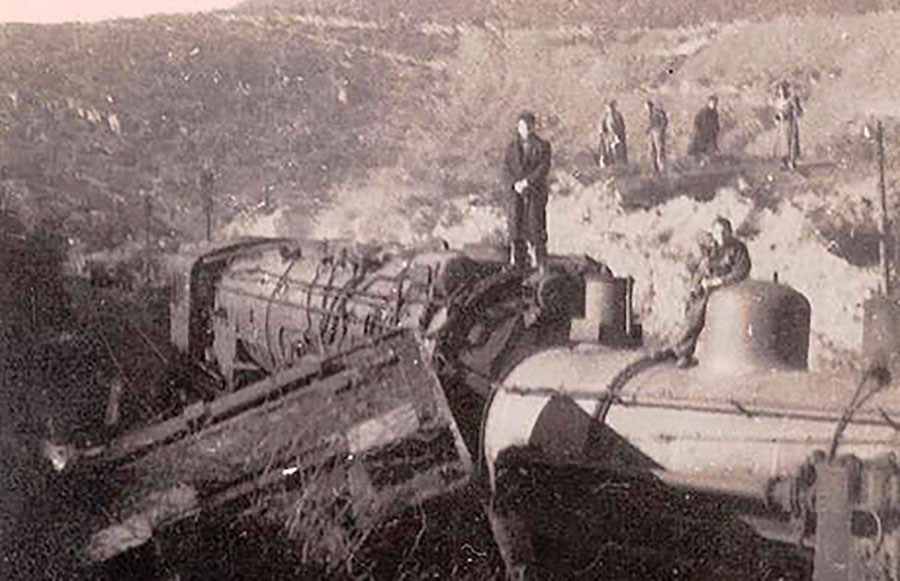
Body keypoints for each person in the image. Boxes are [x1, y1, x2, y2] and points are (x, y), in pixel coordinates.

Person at [673, 217, 751, 368]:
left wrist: (719, 281)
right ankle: (684, 353)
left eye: (724, 232)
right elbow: (701, 269)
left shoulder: (738, 249)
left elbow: (741, 272)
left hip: (730, 287)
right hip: (709, 286)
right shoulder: (710, 248)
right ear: (713, 233)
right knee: (694, 314)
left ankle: (727, 357)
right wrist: (695, 287)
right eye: (717, 232)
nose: (721, 235)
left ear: (730, 233)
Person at [504, 111, 552, 270]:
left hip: (534, 192)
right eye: (521, 126)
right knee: (515, 227)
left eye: (527, 126)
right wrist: (515, 184)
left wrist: (527, 182)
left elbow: (543, 168)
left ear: (533, 127)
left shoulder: (543, 146)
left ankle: (538, 262)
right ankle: (516, 261)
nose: (524, 129)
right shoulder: (511, 148)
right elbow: (506, 169)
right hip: (516, 193)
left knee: (535, 226)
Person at [774, 81, 803, 170]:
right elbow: (776, 113)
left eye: (784, 89)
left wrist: (794, 111)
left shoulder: (792, 99)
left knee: (791, 141)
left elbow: (798, 112)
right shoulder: (778, 101)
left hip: (790, 123)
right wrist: (777, 117)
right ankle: (784, 161)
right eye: (780, 89)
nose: (782, 91)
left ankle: (791, 161)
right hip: (782, 125)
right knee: (783, 143)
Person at [688, 95, 720, 162]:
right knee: (700, 150)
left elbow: (716, 123)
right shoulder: (703, 112)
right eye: (712, 103)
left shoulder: (715, 113)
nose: (714, 105)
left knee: (710, 151)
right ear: (708, 103)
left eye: (715, 103)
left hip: (711, 135)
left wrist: (716, 129)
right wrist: (699, 131)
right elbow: (697, 122)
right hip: (702, 135)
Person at [597, 100, 627, 167]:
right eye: (609, 107)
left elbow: (622, 126)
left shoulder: (618, 115)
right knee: (609, 152)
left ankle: (620, 165)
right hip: (609, 137)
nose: (611, 108)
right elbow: (602, 128)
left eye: (612, 107)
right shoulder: (605, 116)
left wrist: (620, 135)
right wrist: (604, 135)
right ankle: (611, 165)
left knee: (619, 152)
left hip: (618, 136)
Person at [646, 100, 668, 173]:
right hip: (653, 134)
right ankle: (655, 168)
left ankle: (662, 169)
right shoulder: (651, 113)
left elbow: (664, 122)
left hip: (657, 134)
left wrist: (661, 131)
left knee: (659, 151)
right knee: (653, 151)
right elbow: (652, 124)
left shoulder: (657, 113)